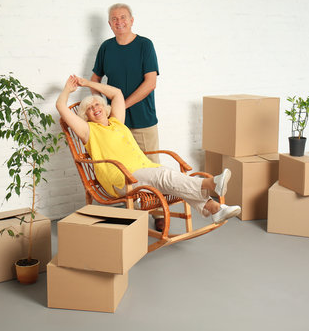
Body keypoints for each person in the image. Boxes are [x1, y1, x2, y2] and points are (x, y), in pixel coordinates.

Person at [56, 75, 241, 225]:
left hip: (143, 168)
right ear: (85, 116)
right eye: (89, 108)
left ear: (105, 109)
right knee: (165, 177)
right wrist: (67, 90)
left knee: (171, 179)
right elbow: (60, 107)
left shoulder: (116, 122)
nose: (94, 108)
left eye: (97, 104)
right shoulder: (88, 131)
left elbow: (118, 94)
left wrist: (87, 83)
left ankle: (216, 209)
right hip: (121, 179)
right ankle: (210, 184)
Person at [90, 3, 164, 229]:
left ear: (132, 20)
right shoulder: (106, 48)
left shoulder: (145, 45)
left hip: (143, 118)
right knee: (124, 169)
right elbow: (95, 80)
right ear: (109, 24)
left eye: (123, 17)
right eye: (114, 19)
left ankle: (159, 214)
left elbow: (150, 83)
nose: (119, 21)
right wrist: (105, 106)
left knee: (152, 165)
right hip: (115, 124)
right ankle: (132, 213)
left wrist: (121, 104)